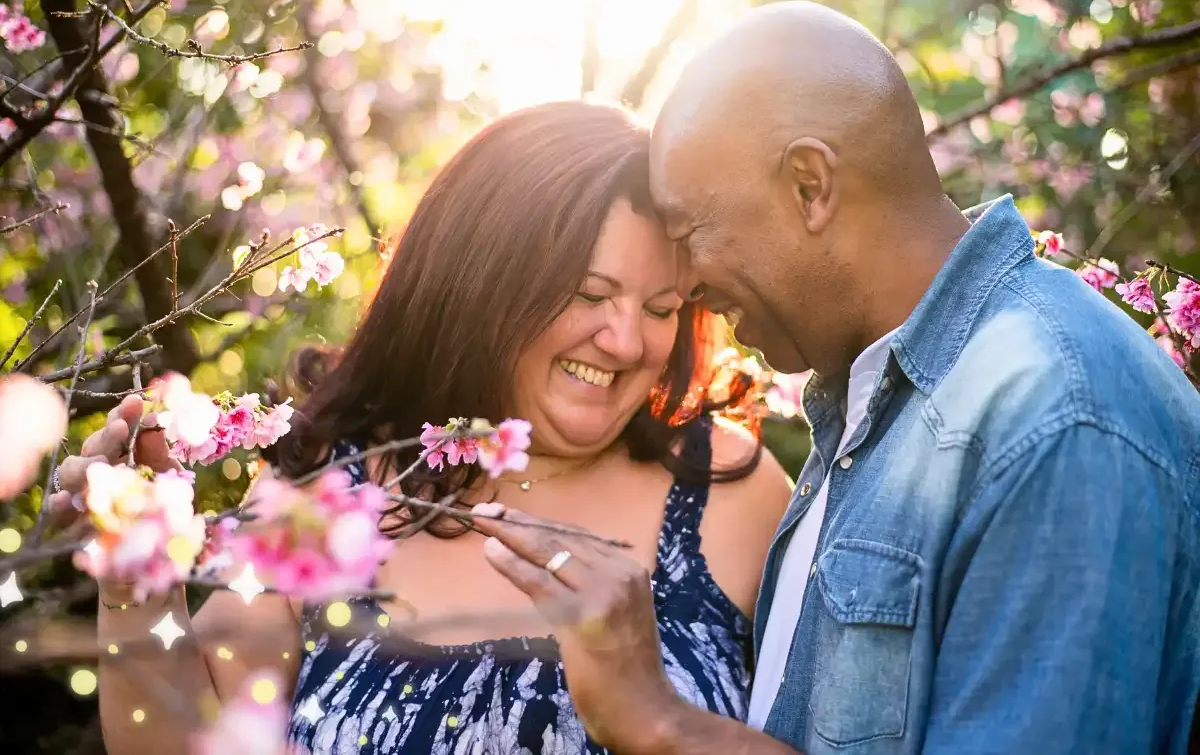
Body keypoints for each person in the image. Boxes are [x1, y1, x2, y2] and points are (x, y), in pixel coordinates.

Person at [475, 2, 1200, 754]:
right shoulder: (875, 404)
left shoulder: (1053, 415)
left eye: (689, 231)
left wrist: (661, 723)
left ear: (809, 186)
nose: (683, 282)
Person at [56, 101, 791, 753]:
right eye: (589, 294)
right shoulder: (329, 482)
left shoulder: (734, 495)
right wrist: (135, 583)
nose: (627, 342)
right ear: (479, 285)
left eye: (662, 309)